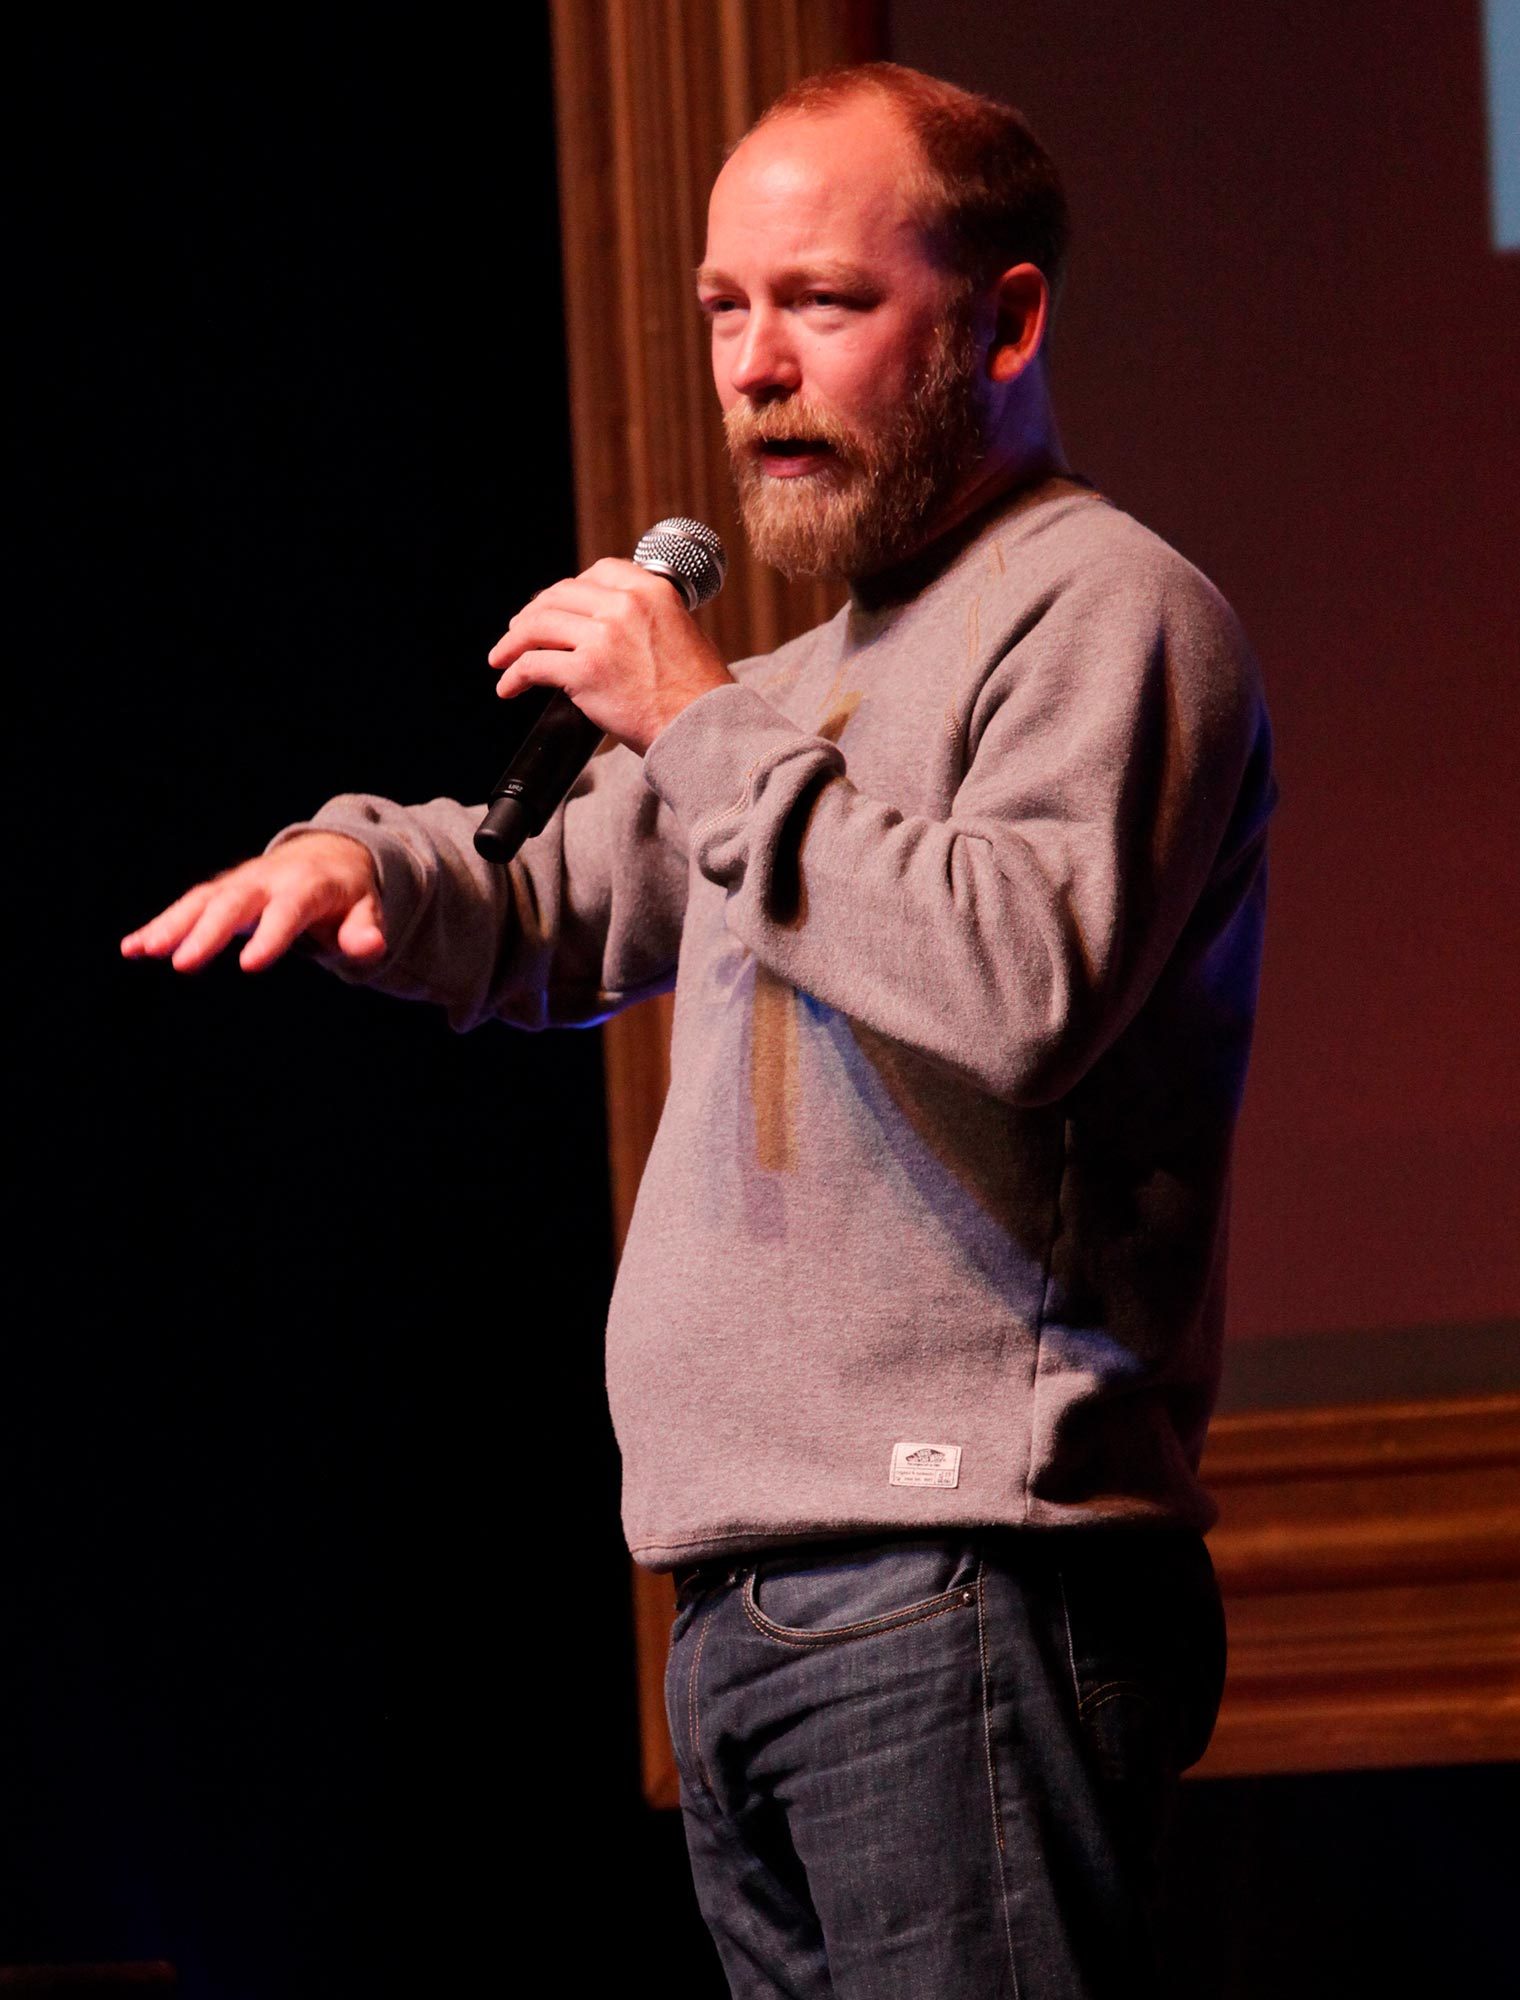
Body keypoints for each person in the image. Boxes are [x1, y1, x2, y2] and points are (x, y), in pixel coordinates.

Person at [123, 62, 1276, 1999]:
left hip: (963, 1566)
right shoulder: (798, 681)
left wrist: (706, 719)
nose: (753, 367)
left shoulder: (1107, 610)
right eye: (723, 308)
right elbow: (556, 907)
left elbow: (1024, 982)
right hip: (755, 1597)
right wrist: (369, 864)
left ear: (1000, 320)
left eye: (821, 302)